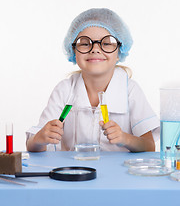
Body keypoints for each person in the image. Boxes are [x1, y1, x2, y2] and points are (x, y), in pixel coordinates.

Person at [26, 8, 160, 152]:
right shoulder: (64, 90)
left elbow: (149, 146)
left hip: (118, 173)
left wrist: (124, 138)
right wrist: (40, 139)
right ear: (73, 51)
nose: (95, 49)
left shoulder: (130, 90)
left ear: (120, 51)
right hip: (74, 172)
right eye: (85, 43)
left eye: (107, 43)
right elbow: (33, 145)